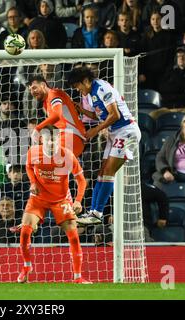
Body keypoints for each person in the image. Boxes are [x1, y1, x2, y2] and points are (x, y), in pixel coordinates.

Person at [67, 66, 141, 225]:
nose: (78, 90)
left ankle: (97, 213)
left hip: (126, 131)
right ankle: (93, 212)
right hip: (116, 133)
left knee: (108, 172)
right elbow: (99, 114)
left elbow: (115, 115)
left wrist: (95, 130)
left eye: (77, 86)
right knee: (102, 173)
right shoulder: (91, 94)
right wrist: (81, 110)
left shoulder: (101, 88)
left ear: (85, 80)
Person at [18, 125, 90, 284]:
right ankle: (27, 266)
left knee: (73, 236)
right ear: (42, 139)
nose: (52, 143)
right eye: (49, 139)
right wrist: (33, 182)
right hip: (38, 198)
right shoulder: (33, 152)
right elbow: (29, 167)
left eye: (56, 139)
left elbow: (81, 180)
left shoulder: (67, 155)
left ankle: (78, 277)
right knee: (24, 232)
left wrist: (78, 200)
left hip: (61, 199)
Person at [27, 75, 87, 157]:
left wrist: (37, 129)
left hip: (71, 136)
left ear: (43, 85)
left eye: (34, 88)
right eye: (30, 90)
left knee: (47, 161)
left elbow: (56, 115)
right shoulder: (46, 103)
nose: (32, 92)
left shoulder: (54, 94)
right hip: (65, 137)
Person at [151, 47, 185, 119]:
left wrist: (174, 88)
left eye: (184, 56)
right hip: (168, 108)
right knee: (152, 115)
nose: (181, 58)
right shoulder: (170, 72)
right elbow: (162, 88)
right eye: (178, 56)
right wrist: (182, 89)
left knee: (183, 117)